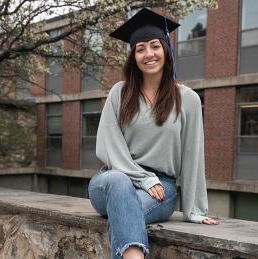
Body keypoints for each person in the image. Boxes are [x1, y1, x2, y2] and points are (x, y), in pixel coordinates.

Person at [88, 8, 218, 259]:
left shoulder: (188, 100)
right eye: (140, 49)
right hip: (111, 181)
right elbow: (109, 144)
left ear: (166, 50)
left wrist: (195, 210)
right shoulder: (120, 92)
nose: (149, 54)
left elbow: (193, 155)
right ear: (133, 56)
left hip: (162, 189)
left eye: (155, 46)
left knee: (125, 213)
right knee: (118, 182)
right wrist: (142, 178)